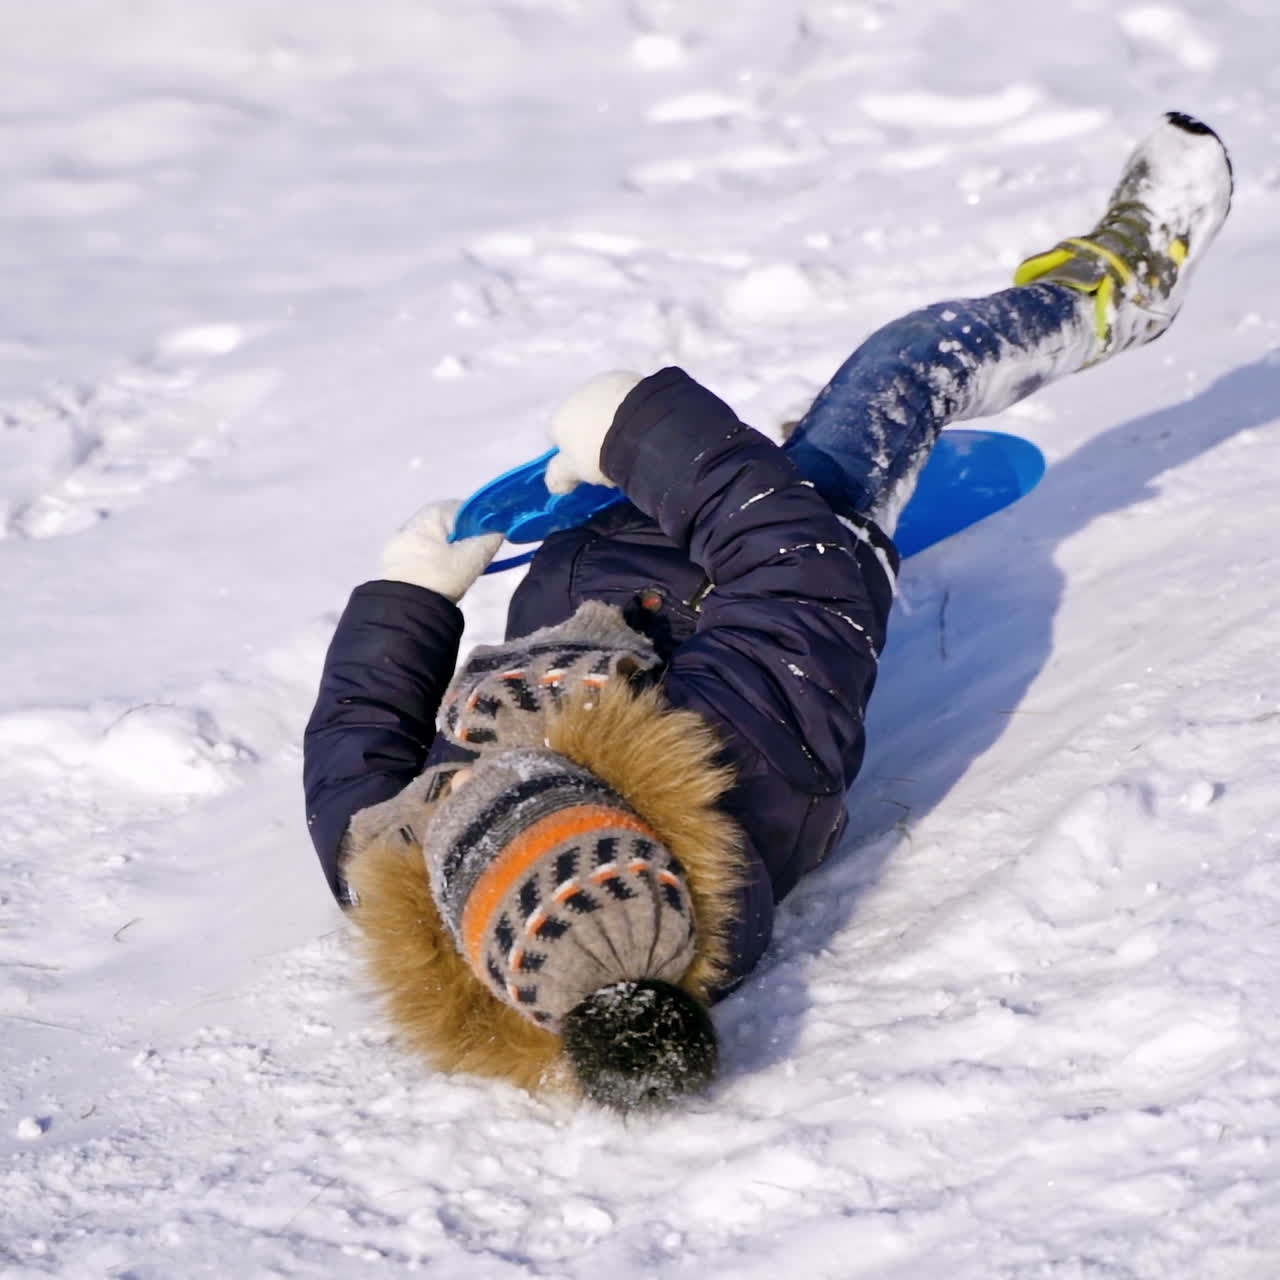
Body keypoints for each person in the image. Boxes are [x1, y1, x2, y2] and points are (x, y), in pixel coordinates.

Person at [303, 112, 1232, 1111]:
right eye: (545, 781)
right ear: (633, 815)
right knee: (897, 372)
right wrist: (642, 433)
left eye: (480, 791)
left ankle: (726, 467)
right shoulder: (739, 762)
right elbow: (791, 570)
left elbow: (354, 739)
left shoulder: (403, 857)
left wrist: (409, 595)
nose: (498, 766)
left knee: (713, 483)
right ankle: (1116, 284)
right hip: (791, 562)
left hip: (605, 567)